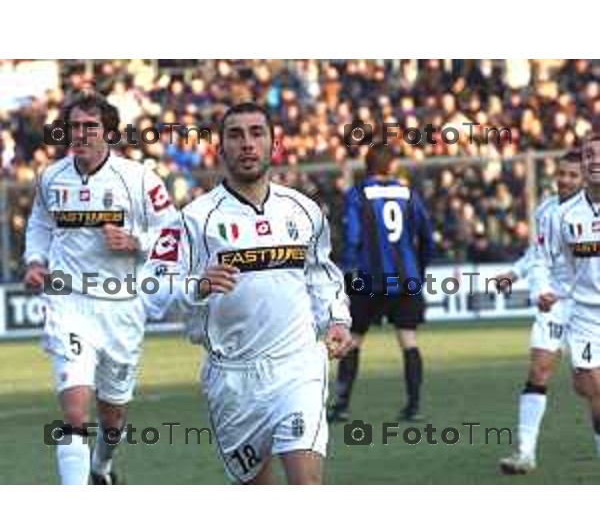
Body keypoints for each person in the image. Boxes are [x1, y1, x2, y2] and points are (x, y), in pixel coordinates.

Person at [143, 102, 353, 485]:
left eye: (257, 133)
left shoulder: (304, 210)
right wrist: (197, 285)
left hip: (298, 366)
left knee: (306, 483)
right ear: (220, 148)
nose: (247, 143)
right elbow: (151, 290)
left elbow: (322, 274)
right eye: (236, 135)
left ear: (274, 144)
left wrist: (336, 318)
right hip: (232, 379)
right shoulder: (193, 220)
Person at [23, 91, 176, 484]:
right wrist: (36, 262)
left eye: (90, 127)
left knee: (113, 416)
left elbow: (176, 233)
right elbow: (40, 224)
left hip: (121, 304)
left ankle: (102, 468)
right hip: (69, 301)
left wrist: (136, 241)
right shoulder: (51, 178)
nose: (80, 134)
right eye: (74, 126)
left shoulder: (138, 178)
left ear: (108, 132)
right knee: (75, 412)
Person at [327, 144, 435, 423]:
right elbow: (427, 236)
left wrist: (349, 271)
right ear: (393, 165)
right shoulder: (408, 193)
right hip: (406, 279)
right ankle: (414, 406)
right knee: (408, 340)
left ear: (367, 165)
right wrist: (418, 270)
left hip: (369, 278)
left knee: (353, 340)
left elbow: (352, 236)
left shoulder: (358, 194)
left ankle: (341, 405)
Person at [497, 149, 584, 474]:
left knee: (588, 385)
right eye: (561, 173)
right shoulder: (546, 209)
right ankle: (525, 453)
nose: (564, 179)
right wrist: (514, 273)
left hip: (588, 305)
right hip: (553, 302)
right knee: (539, 370)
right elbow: (539, 253)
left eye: (572, 175)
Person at [528, 134, 600, 463]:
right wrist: (541, 289)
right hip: (586, 314)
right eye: (589, 155)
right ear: (583, 164)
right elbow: (541, 258)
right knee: (594, 388)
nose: (595, 160)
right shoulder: (562, 214)